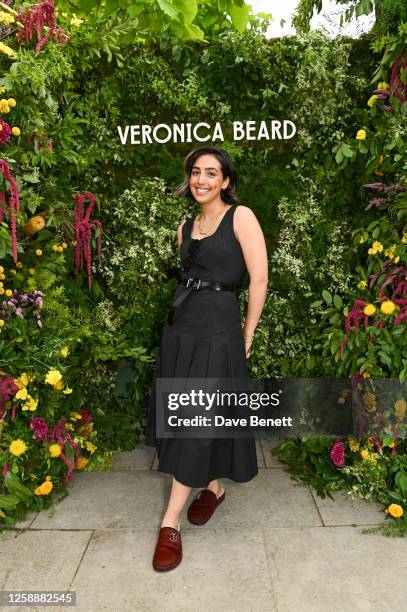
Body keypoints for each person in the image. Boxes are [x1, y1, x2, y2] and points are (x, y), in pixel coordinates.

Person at [144, 145, 268, 571]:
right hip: (181, 331)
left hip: (218, 332)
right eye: (196, 172)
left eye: (211, 173)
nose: (201, 180)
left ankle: (169, 523)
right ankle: (212, 489)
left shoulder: (241, 217)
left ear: (226, 181)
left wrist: (247, 333)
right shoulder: (185, 226)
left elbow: (259, 277)